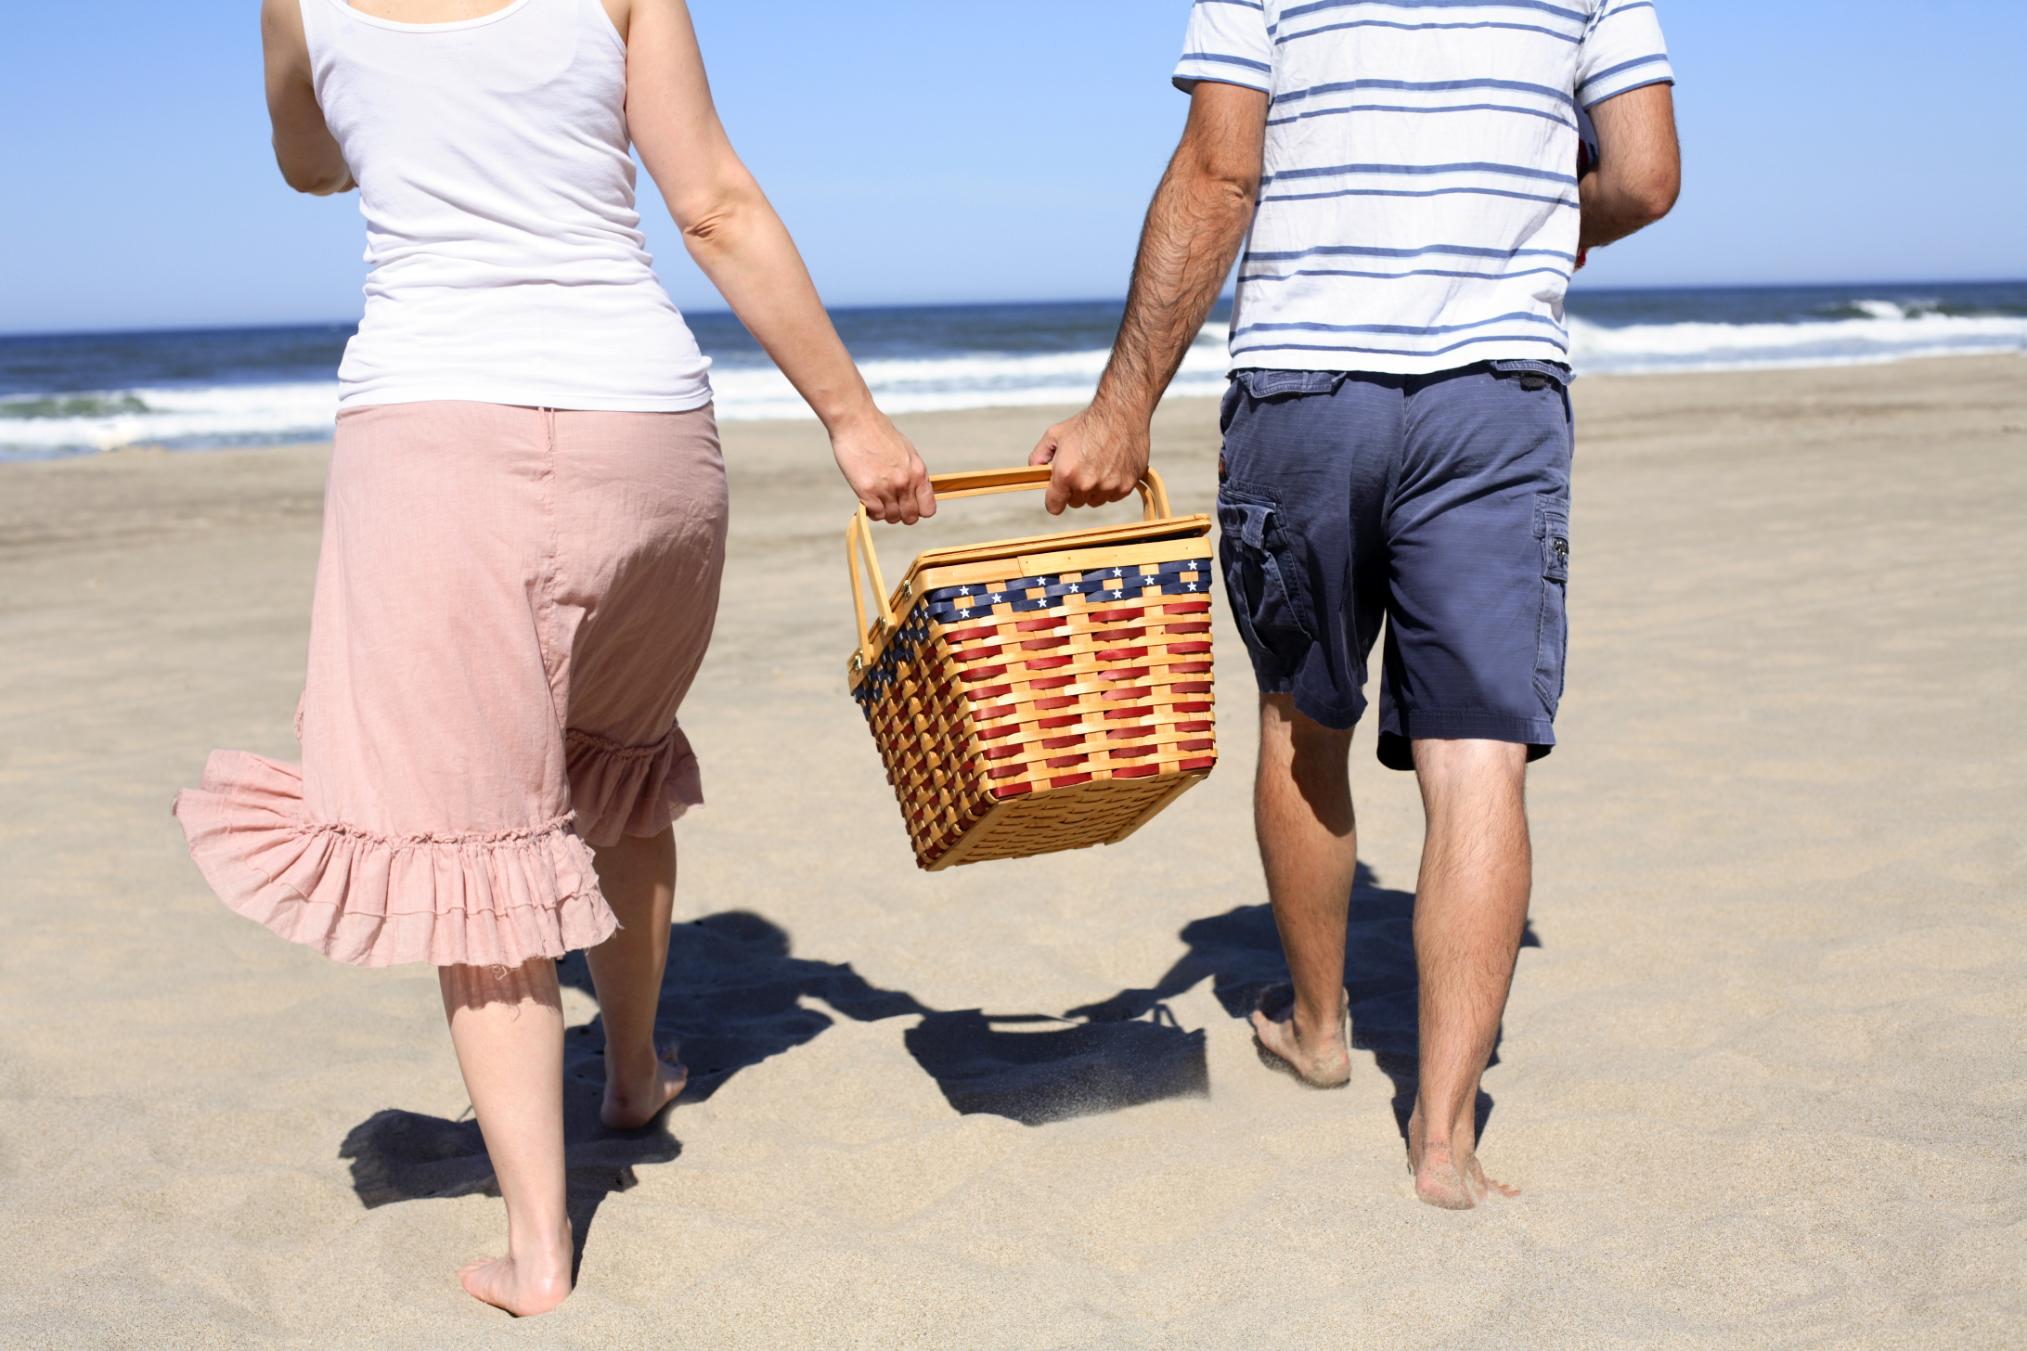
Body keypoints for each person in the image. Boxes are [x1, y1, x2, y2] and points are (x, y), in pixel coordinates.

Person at [173, 0, 934, 1316]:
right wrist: (851, 419)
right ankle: (631, 1075)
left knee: (475, 850)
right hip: (643, 442)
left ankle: (538, 1251)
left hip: (435, 441)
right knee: (617, 771)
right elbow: (711, 205)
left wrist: (412, 112)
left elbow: (308, 160)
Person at [1032, 0, 1680, 1208]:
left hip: (1303, 389)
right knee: (1478, 759)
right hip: (1493, 397)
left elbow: (1220, 173)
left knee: (1298, 717)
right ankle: (1442, 1139)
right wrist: (1549, 217)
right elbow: (1643, 179)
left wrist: (1120, 406)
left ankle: (1320, 1028)